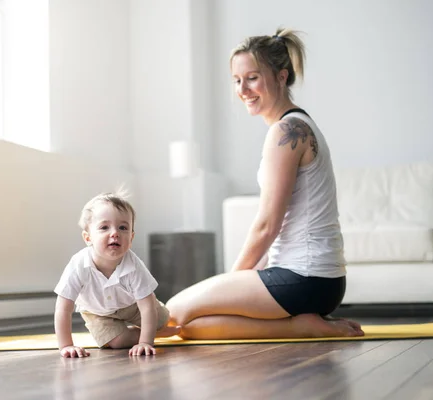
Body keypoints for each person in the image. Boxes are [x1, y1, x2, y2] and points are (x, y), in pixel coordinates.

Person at [166, 28, 364, 340]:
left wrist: (229, 282)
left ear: (281, 77)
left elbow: (267, 225)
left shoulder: (287, 131)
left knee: (173, 312)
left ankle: (302, 326)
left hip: (305, 278)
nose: (243, 89)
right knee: (186, 328)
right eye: (236, 80)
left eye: (253, 77)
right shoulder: (298, 125)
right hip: (320, 282)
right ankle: (301, 326)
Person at [54, 190, 181, 357]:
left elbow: (147, 306)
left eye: (123, 227)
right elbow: (63, 308)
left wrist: (145, 343)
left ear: (131, 237)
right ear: (88, 238)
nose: (115, 233)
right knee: (116, 343)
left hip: (132, 305)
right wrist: (66, 346)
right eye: (104, 227)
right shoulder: (78, 265)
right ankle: (152, 334)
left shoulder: (134, 265)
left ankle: (157, 329)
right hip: (97, 312)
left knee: (162, 320)